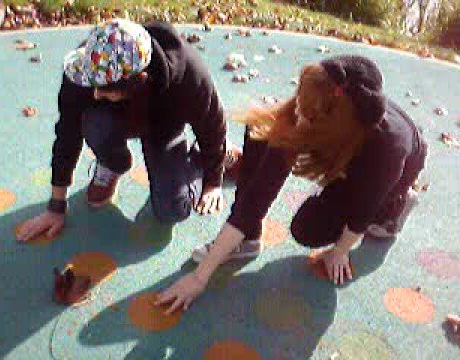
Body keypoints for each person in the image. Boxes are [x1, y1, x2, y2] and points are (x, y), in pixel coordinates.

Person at [155, 55, 428, 313]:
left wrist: (341, 250)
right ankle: (247, 239)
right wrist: (200, 277)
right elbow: (255, 200)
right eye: (300, 101)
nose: (297, 114)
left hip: (389, 173)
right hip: (343, 150)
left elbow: (362, 212)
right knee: (262, 132)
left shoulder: (387, 149)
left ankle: (396, 208)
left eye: (308, 116)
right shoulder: (319, 98)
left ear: (334, 122)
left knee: (309, 229)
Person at [17, 18, 241, 242]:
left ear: (138, 82)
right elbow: (67, 132)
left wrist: (213, 181)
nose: (94, 94)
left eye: (104, 90)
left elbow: (212, 124)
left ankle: (200, 161)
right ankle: (112, 164)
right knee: (94, 122)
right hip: (114, 118)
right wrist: (56, 207)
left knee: (172, 211)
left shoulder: (187, 72)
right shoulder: (87, 65)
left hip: (164, 124)